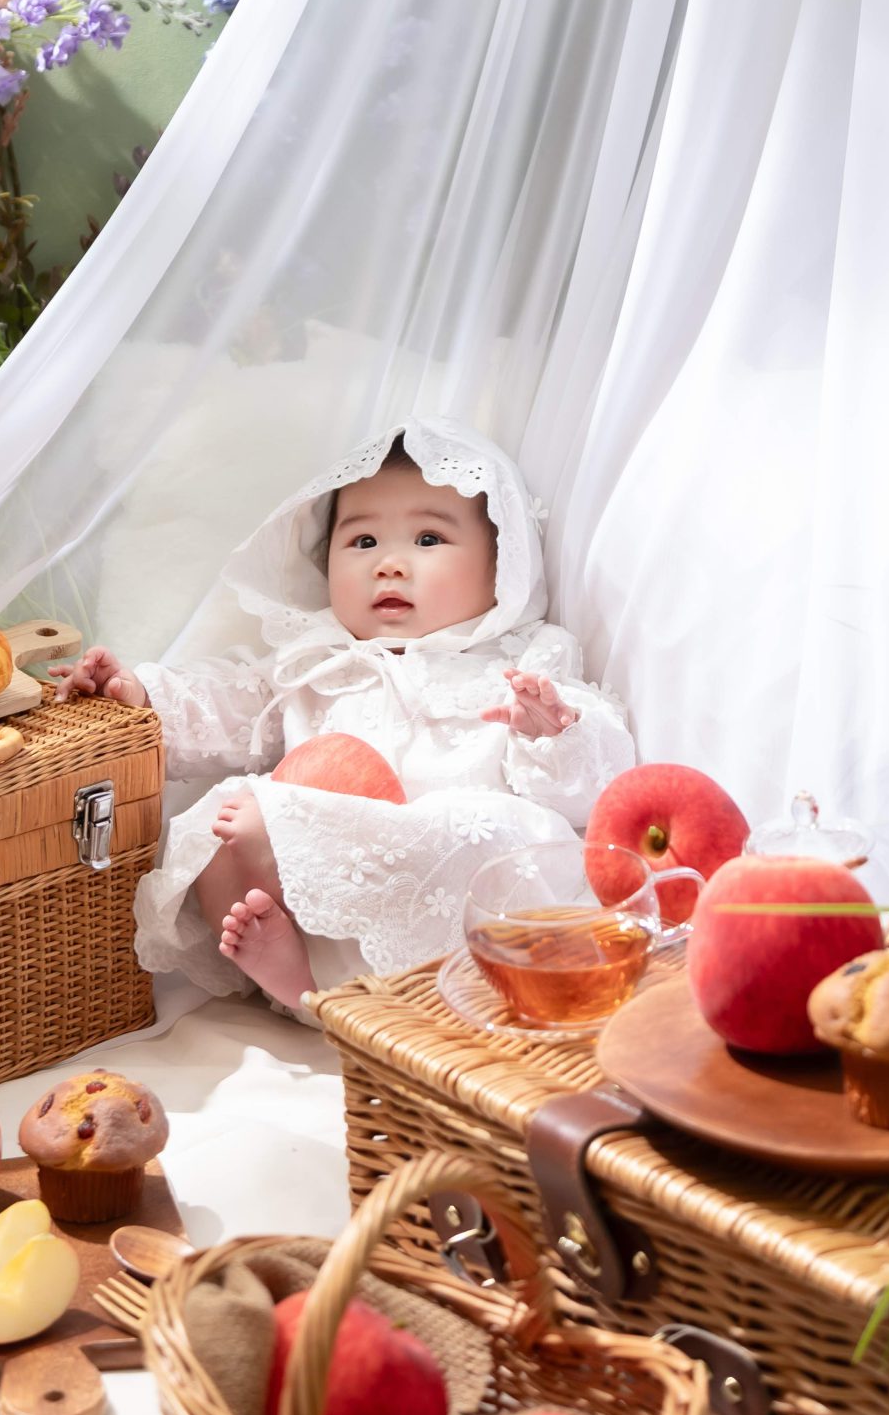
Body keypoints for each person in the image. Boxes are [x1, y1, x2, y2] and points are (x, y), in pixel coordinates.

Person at [50, 419, 634, 1012]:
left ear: (502, 563)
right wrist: (140, 693)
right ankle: (306, 986)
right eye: (363, 541)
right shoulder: (318, 663)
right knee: (223, 825)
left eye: (428, 539)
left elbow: (594, 794)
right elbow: (232, 704)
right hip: (330, 921)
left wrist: (554, 731)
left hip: (462, 914)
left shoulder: (521, 660)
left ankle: (352, 986)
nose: (390, 564)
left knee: (480, 824)